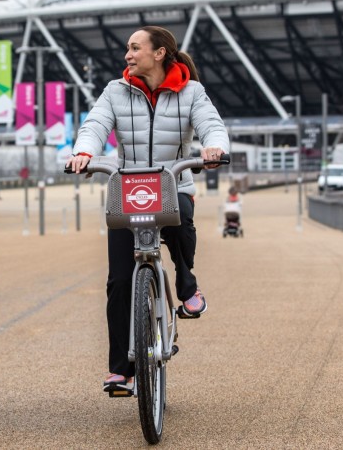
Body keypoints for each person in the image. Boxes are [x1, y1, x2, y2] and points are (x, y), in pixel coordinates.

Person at [66, 26, 229, 390]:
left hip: (174, 183)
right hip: (127, 188)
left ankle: (186, 283)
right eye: (127, 48)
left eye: (135, 48)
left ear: (159, 53)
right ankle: (121, 369)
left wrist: (213, 147)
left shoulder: (190, 91)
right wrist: (84, 152)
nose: (128, 54)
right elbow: (95, 124)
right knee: (119, 281)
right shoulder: (115, 91)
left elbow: (210, 124)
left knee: (182, 216)